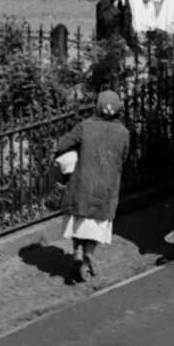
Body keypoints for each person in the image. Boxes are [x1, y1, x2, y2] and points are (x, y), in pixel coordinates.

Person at [51, 90, 130, 287]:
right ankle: (87, 256)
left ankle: (77, 250)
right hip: (106, 187)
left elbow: (61, 144)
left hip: (82, 184)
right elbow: (124, 157)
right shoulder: (123, 133)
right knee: (96, 223)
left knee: (78, 218)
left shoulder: (85, 126)